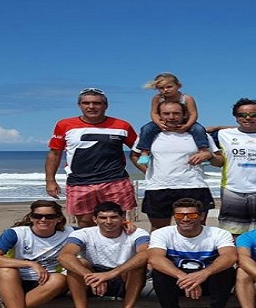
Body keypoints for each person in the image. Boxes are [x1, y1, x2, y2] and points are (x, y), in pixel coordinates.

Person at [46, 87, 138, 228]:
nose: (91, 107)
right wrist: (50, 181)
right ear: (79, 105)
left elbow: (140, 150)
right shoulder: (64, 125)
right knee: (85, 223)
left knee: (116, 222)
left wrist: (147, 168)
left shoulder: (122, 126)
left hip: (114, 181)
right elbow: (55, 153)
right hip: (79, 181)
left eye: (97, 103)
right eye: (86, 103)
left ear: (105, 106)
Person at [147, 198, 237, 308]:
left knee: (226, 270)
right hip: (178, 282)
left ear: (201, 216)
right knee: (159, 272)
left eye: (192, 215)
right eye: (179, 215)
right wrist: (185, 277)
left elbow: (230, 257)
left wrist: (203, 274)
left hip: (208, 282)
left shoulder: (218, 233)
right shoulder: (162, 233)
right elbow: (155, 258)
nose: (185, 219)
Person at [57, 201, 149, 308]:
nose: (109, 221)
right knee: (77, 263)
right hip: (92, 280)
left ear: (123, 218)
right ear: (95, 219)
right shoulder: (85, 233)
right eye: (103, 218)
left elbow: (145, 253)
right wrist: (90, 276)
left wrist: (110, 274)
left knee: (137, 265)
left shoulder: (136, 233)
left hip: (123, 277)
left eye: (114, 217)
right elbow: (64, 256)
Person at [130, 101, 215, 230]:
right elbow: (134, 155)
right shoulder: (150, 134)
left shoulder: (198, 134)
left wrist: (209, 155)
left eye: (176, 113)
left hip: (193, 186)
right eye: (166, 113)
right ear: (158, 115)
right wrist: (148, 172)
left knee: (196, 229)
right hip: (158, 189)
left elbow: (220, 160)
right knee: (159, 231)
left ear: (184, 114)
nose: (171, 117)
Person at [208, 98, 256, 236]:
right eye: (241, 115)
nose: (247, 118)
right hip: (233, 189)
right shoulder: (222, 135)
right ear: (235, 117)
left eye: (253, 115)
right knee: (232, 232)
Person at [136, 72, 210, 166]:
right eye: (161, 88)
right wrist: (159, 123)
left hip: (185, 121)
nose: (165, 90)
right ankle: (144, 152)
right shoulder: (157, 98)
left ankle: (202, 150)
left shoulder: (186, 98)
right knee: (147, 128)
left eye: (169, 87)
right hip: (163, 121)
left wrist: (187, 125)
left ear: (178, 86)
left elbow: (193, 114)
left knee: (199, 129)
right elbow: (154, 113)